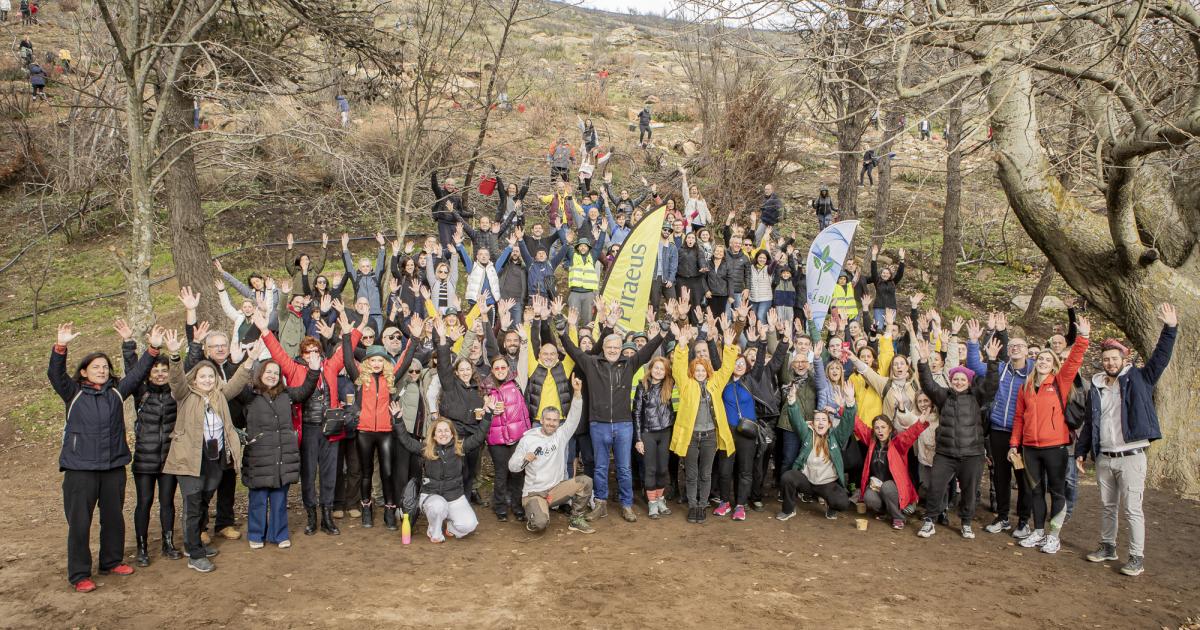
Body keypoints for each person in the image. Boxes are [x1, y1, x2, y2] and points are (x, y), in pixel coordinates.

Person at [48, 321, 161, 592]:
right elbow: (55, 374)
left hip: (113, 466)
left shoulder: (116, 392)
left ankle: (111, 561)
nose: (101, 370)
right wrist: (60, 347)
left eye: (105, 367)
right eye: (96, 367)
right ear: (84, 371)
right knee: (79, 523)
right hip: (80, 469)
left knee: (113, 518)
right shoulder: (73, 393)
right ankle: (79, 574)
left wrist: (152, 348)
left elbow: (138, 373)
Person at [1077, 303, 1177, 577]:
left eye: (1114, 359)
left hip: (1131, 456)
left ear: (1124, 358)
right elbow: (1090, 423)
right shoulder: (1097, 387)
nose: (1110, 363)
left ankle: (1136, 557)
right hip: (1105, 457)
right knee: (1107, 506)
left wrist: (1170, 328)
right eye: (1106, 359)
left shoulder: (1140, 379)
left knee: (1132, 508)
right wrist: (1081, 451)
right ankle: (1108, 546)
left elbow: (1160, 357)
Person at [258, 309, 361, 536]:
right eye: (307, 352)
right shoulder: (294, 368)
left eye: (315, 351)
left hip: (330, 428)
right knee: (308, 473)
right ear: (302, 354)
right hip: (307, 428)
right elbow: (277, 353)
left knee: (329, 473)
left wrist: (352, 333)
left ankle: (327, 516)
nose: (312, 354)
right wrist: (265, 330)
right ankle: (311, 515)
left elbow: (346, 352)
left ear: (321, 352)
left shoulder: (330, 367)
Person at [557, 307, 664, 522]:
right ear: (603, 348)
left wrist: (662, 334)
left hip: (624, 425)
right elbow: (574, 351)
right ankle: (601, 504)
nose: (613, 350)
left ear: (621, 348)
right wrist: (562, 333)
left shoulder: (629, 364)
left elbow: (647, 351)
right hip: (599, 424)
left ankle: (626, 505)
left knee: (624, 468)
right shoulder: (592, 363)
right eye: (609, 347)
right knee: (600, 467)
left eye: (616, 347)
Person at [164, 329, 252, 573]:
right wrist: (174, 356)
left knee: (204, 500)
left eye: (211, 376)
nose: (207, 380)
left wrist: (250, 360)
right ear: (194, 379)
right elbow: (176, 381)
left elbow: (236, 384)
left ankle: (193, 542)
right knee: (193, 503)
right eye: (202, 377)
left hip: (214, 457)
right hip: (190, 458)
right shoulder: (185, 395)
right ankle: (194, 553)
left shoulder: (218, 396)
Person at [1008, 316, 1090, 554]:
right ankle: (1038, 531)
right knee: (1035, 491)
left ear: (1054, 364)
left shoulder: (1060, 382)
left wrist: (1083, 337)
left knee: (1056, 491)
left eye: (1048, 359)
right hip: (1030, 448)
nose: (1043, 362)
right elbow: (1019, 418)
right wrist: (1014, 444)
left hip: (1055, 447)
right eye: (1040, 359)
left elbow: (1074, 360)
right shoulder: (1026, 386)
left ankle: (1054, 535)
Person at [915, 332, 1001, 539]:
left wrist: (992, 361)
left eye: (963, 379)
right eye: (956, 379)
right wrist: (923, 362)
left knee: (970, 491)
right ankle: (929, 520)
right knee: (936, 487)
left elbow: (991, 385)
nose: (959, 382)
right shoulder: (943, 396)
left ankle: (966, 523)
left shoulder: (977, 396)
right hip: (945, 453)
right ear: (951, 381)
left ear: (969, 382)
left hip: (972, 454)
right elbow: (927, 384)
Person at [237, 356, 321, 549]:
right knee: (258, 499)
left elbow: (305, 390)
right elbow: (236, 387)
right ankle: (256, 534)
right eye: (268, 372)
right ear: (260, 374)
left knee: (279, 499)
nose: (272, 376)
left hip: (283, 456)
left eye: (276, 373)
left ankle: (279, 534)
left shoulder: (286, 395)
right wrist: (241, 362)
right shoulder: (251, 395)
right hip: (259, 457)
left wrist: (314, 371)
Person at [964, 313, 1035, 538]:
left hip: (1022, 434)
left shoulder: (1034, 372)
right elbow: (975, 366)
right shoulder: (1001, 368)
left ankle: (1023, 521)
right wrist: (973, 342)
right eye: (1012, 345)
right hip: (998, 430)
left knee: (1023, 478)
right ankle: (1002, 517)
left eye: (1020, 346)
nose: (1015, 348)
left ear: (1027, 351)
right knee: (1001, 476)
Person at [392, 399, 496, 543]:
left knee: (469, 525)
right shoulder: (426, 449)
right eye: (439, 431)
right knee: (438, 506)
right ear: (434, 435)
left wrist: (488, 415)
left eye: (447, 431)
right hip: (432, 496)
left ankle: (451, 528)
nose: (443, 434)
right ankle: (434, 531)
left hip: (454, 496)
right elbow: (406, 441)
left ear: (452, 434)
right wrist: (398, 420)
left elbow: (479, 437)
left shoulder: (460, 448)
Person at [121, 332, 182, 567]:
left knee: (167, 502)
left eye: (164, 370)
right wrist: (129, 345)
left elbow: (188, 369)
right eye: (155, 370)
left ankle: (168, 543)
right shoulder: (141, 392)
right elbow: (133, 370)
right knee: (144, 502)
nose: (160, 374)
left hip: (169, 458)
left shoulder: (176, 392)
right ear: (149, 373)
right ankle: (142, 547)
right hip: (144, 460)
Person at [670, 322, 739, 524]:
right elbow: (678, 369)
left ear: (708, 370)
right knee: (691, 474)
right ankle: (693, 505)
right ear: (693, 371)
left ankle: (702, 505)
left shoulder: (715, 382)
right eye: (697, 370)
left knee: (706, 474)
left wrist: (728, 346)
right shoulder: (686, 384)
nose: (700, 372)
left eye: (703, 370)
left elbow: (727, 368)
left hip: (710, 436)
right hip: (691, 436)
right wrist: (682, 346)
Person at [510, 382, 596, 534]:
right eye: (548, 419)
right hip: (534, 493)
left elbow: (573, 418)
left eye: (555, 420)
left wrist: (577, 394)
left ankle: (576, 519)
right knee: (540, 524)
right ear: (542, 420)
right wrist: (524, 459)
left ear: (558, 422)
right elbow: (512, 466)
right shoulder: (528, 439)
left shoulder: (560, 436)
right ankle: (535, 513)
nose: (551, 423)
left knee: (586, 481)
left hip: (555, 490)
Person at [344, 344, 405, 530]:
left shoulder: (390, 378)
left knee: (387, 472)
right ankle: (366, 508)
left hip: (386, 432)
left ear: (385, 362)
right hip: (364, 431)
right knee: (366, 473)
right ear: (367, 362)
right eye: (373, 360)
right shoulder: (361, 379)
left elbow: (405, 361)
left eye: (380, 360)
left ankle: (389, 510)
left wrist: (415, 339)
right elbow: (348, 360)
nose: (377, 363)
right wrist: (346, 335)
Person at [777, 397, 857, 521]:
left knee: (842, 503)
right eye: (817, 420)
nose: (820, 423)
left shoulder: (836, 437)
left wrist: (850, 404)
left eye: (824, 420)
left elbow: (847, 424)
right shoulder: (807, 434)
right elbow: (796, 421)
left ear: (829, 424)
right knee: (788, 477)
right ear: (812, 423)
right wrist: (792, 402)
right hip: (807, 481)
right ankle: (788, 510)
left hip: (827, 484)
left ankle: (831, 507)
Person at [855, 414, 928, 529]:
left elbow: (909, 435)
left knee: (887, 486)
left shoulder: (897, 443)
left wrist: (920, 423)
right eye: (877, 428)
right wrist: (846, 408)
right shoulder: (872, 441)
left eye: (883, 427)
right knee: (868, 496)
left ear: (890, 429)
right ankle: (886, 511)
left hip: (895, 489)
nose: (880, 430)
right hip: (877, 487)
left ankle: (898, 517)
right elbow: (859, 426)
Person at [482, 356, 532, 522]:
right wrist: (489, 410)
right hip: (497, 439)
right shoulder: (485, 388)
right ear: (492, 370)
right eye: (497, 368)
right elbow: (481, 412)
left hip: (517, 437)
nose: (500, 371)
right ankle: (500, 507)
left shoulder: (517, 383)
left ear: (508, 369)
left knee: (517, 472)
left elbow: (524, 360)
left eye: (503, 367)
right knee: (501, 474)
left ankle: (517, 507)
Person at [633, 356, 675, 519]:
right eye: (656, 367)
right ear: (650, 369)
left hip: (665, 432)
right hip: (648, 432)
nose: (658, 371)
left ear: (666, 372)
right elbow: (637, 413)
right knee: (650, 469)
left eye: (662, 369)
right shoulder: (642, 386)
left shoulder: (669, 385)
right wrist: (638, 439)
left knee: (662, 469)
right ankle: (652, 503)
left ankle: (660, 499)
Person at [341, 232, 387, 332]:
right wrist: (344, 247)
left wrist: (382, 246)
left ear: (371, 267)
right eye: (363, 266)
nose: (365, 268)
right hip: (360, 315)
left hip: (376, 314)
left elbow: (380, 264)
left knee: (377, 338)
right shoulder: (356, 278)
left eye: (367, 266)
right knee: (361, 337)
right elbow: (349, 267)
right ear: (359, 268)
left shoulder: (376, 277)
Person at [867, 245, 905, 325]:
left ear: (890, 275)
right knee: (879, 328)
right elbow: (873, 271)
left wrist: (902, 259)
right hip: (879, 308)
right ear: (881, 274)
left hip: (891, 308)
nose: (885, 274)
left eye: (887, 273)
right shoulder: (877, 281)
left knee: (889, 327)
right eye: (883, 273)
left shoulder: (893, 282)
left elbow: (900, 273)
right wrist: (874, 256)